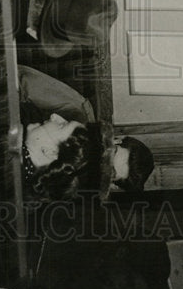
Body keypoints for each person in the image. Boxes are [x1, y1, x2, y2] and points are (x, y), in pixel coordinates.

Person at [19, 65, 155, 194]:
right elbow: (19, 79)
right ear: (116, 139)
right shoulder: (76, 112)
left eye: (109, 170)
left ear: (110, 183)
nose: (100, 159)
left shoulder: (67, 187)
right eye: (110, 153)